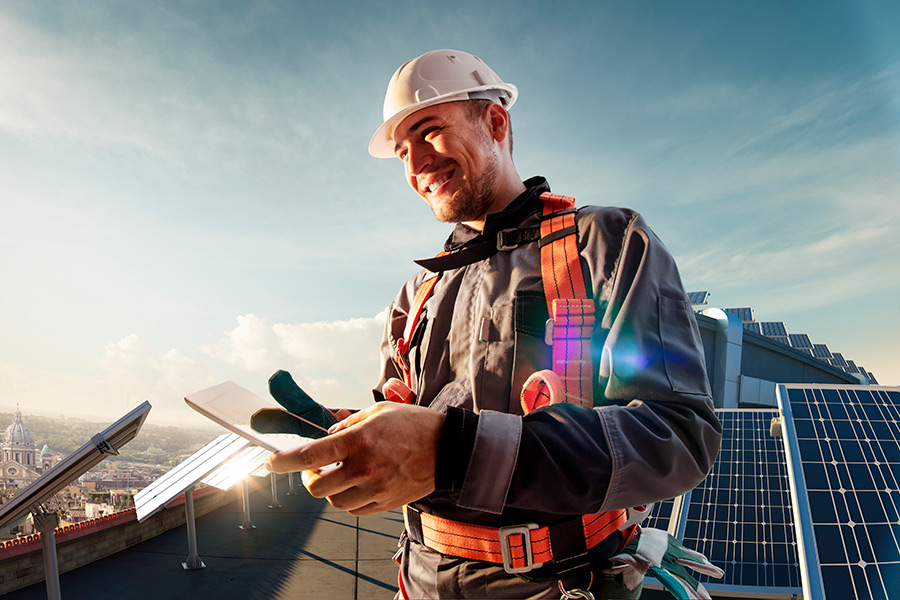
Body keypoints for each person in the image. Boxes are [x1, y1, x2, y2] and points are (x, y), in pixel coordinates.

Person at [267, 49, 722, 599]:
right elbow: (409, 423)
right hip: (420, 577)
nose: (415, 164)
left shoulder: (604, 244)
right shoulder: (418, 295)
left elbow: (675, 435)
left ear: (496, 122)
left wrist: (455, 452)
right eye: (402, 152)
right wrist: (345, 433)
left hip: (558, 583)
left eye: (429, 132)